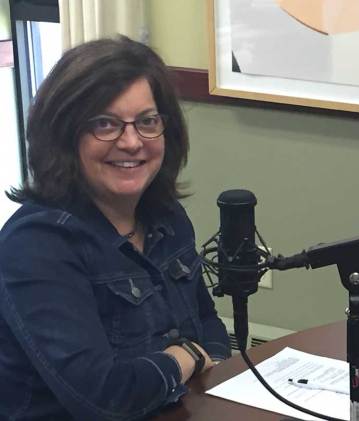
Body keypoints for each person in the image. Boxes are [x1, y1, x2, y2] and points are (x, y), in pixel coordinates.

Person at [0, 37, 231, 420]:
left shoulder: (166, 216)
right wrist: (187, 356)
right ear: (64, 135)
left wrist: (198, 359)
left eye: (147, 121)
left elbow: (208, 326)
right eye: (105, 124)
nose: (131, 142)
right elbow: (102, 397)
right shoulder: (35, 246)